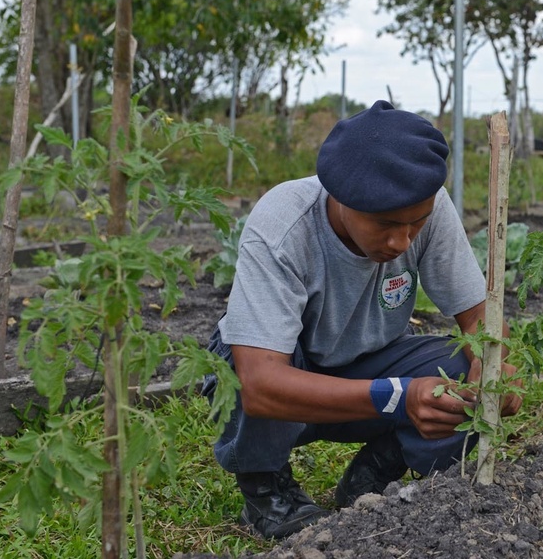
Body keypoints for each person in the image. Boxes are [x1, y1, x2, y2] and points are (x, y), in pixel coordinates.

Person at [202, 99, 522, 539]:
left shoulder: (427, 209)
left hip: (366, 364)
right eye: (385, 224)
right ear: (339, 197)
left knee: (463, 367)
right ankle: (266, 487)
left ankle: (380, 464)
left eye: (415, 224)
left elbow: (480, 315)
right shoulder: (284, 224)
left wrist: (494, 367)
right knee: (241, 369)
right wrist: (398, 397)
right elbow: (260, 384)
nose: (401, 239)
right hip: (283, 377)